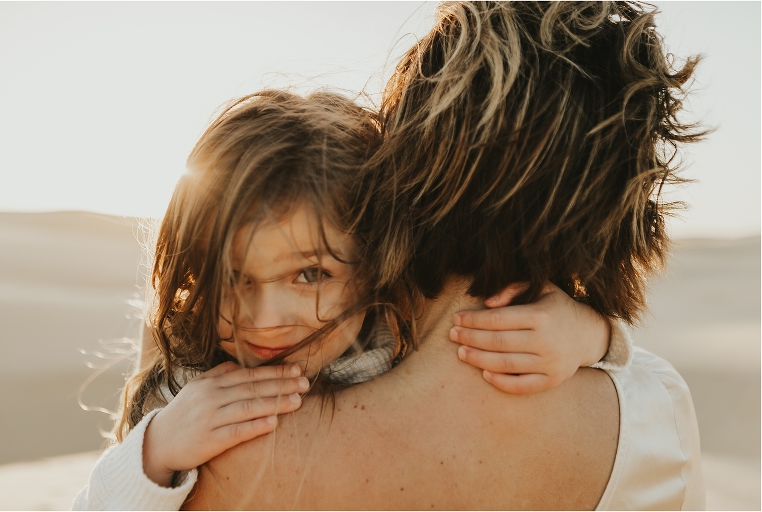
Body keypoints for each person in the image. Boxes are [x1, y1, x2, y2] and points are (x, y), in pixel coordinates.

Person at [187, 2, 705, 509]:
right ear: (617, 216)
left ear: (399, 165)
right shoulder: (658, 412)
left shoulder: (225, 453)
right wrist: (600, 333)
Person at [72, 89, 625, 510]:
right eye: (234, 277)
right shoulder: (188, 377)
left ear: (373, 266)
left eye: (310, 274)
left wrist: (590, 333)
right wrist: (156, 451)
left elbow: (613, 361)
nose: (263, 321)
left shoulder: (399, 333)